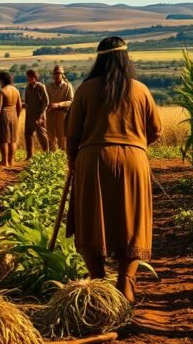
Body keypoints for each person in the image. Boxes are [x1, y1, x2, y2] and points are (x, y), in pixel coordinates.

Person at [66, 37, 162, 303]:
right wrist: (134, 145)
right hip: (134, 160)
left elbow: (72, 135)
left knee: (91, 219)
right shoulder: (141, 90)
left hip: (93, 158)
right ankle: (126, 284)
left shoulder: (85, 90)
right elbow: (156, 130)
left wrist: (72, 159)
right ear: (125, 59)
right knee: (132, 221)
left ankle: (98, 283)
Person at [0, 71, 22, 167]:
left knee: (3, 139)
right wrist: (16, 117)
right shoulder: (16, 90)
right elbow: (20, 107)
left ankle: (4, 161)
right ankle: (11, 161)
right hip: (13, 115)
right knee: (12, 139)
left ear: (1, 80)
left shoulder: (1, 91)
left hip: (4, 115)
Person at [46, 65, 75, 152]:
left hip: (62, 115)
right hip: (50, 114)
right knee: (51, 136)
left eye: (58, 74)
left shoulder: (67, 86)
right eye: (55, 74)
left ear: (62, 75)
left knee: (62, 136)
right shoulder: (49, 86)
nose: (56, 76)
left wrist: (59, 104)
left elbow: (71, 101)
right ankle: (52, 157)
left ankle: (62, 156)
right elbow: (45, 100)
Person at [23, 69, 50, 160]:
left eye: (29, 77)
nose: (28, 79)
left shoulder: (40, 87)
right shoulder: (28, 87)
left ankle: (46, 155)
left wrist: (42, 115)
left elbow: (46, 102)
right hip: (29, 115)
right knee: (28, 135)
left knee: (42, 135)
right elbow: (26, 102)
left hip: (39, 115)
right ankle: (30, 155)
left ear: (34, 77)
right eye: (27, 77)